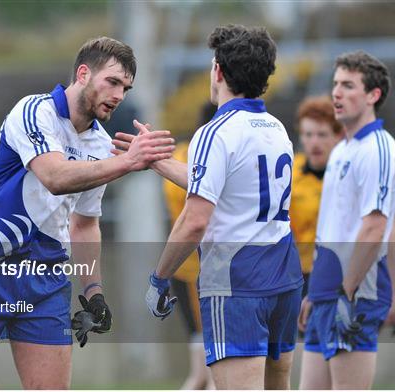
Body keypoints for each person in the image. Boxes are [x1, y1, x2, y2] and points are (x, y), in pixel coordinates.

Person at [0, 37, 174, 389]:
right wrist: (128, 161)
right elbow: (55, 177)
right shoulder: (34, 111)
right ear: (82, 74)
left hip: (45, 280)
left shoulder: (100, 146)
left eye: (126, 87)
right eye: (112, 81)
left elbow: (85, 223)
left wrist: (94, 293)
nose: (119, 94)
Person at [115, 24, 304, 389]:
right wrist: (158, 161)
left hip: (236, 281)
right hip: (284, 275)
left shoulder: (215, 131)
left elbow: (195, 221)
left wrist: (160, 278)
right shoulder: (275, 128)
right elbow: (227, 186)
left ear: (217, 71)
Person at [298, 51, 395, 390]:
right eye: (335, 85)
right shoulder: (342, 149)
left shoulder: (379, 149)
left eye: (348, 85)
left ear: (373, 95)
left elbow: (374, 228)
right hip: (326, 293)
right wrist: (317, 292)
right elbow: (334, 228)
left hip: (355, 295)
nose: (336, 94)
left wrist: (345, 291)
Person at [162, 102, 216, 390]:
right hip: (200, 269)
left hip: (184, 267)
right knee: (209, 373)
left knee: (202, 374)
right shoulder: (206, 159)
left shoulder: (179, 155)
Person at [290, 96, 344, 298]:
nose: (314, 142)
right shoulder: (289, 171)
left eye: (322, 134)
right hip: (296, 274)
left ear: (338, 135)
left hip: (338, 272)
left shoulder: (347, 174)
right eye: (308, 134)